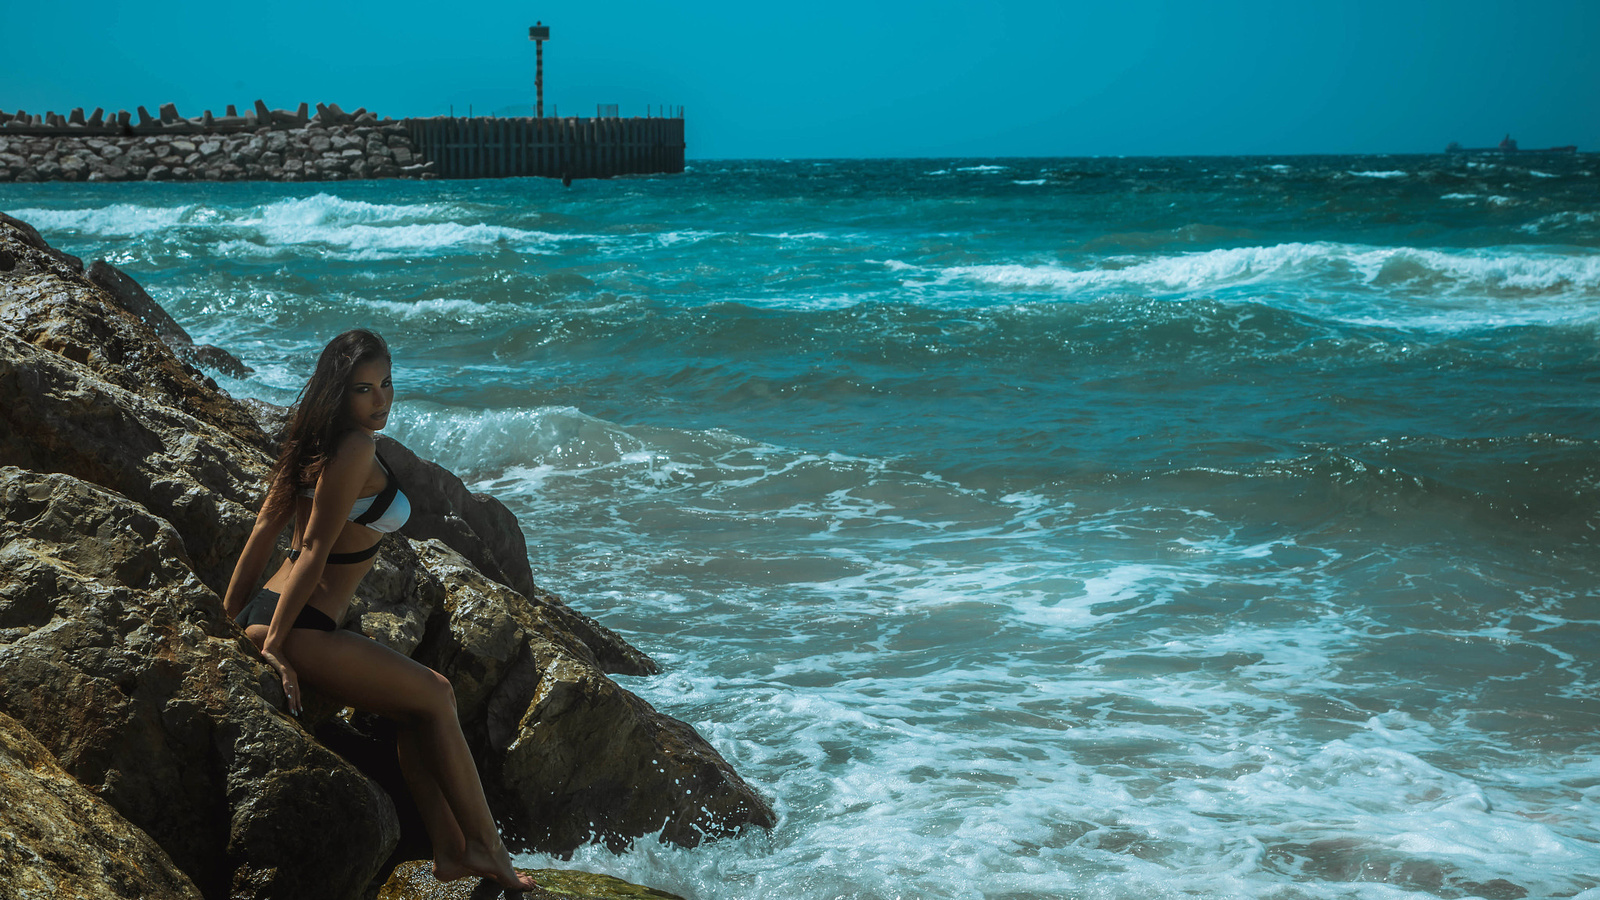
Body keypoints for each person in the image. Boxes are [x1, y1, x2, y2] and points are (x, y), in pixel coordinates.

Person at [222, 329, 539, 893]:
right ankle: (488, 850)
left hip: (277, 606)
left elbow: (267, 525)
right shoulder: (355, 448)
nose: (381, 400)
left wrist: (230, 614)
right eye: (365, 389)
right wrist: (272, 644)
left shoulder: (313, 437)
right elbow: (314, 548)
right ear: (339, 393)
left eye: (387, 383)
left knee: (415, 710)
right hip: (303, 625)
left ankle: (450, 850)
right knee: (437, 694)